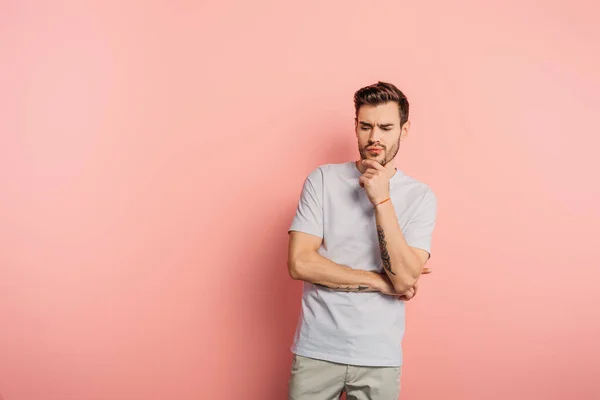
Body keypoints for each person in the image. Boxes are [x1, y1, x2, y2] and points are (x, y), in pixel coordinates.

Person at [286, 81, 438, 399]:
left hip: (379, 356)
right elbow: (300, 262)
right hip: (317, 350)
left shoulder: (420, 197)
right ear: (355, 126)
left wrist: (382, 201)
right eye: (366, 126)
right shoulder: (323, 180)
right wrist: (381, 282)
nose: (374, 138)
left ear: (404, 130)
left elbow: (406, 277)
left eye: (385, 127)